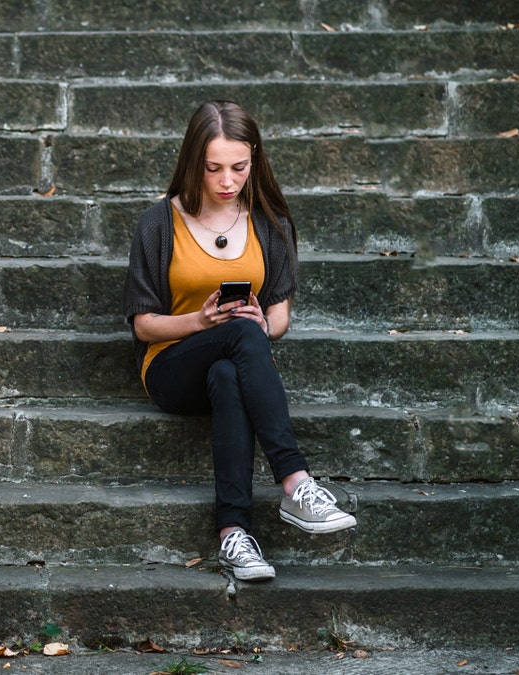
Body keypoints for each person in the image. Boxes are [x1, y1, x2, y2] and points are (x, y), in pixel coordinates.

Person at [122, 100, 355, 582]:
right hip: (171, 366)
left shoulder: (269, 224)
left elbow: (278, 316)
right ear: (194, 164)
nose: (227, 180)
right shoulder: (158, 223)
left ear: (254, 159)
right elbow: (144, 325)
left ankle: (233, 535)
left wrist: (258, 324)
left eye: (239, 167)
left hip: (235, 361)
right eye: (213, 169)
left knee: (230, 370)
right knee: (236, 337)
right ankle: (295, 480)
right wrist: (202, 321)